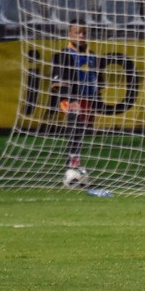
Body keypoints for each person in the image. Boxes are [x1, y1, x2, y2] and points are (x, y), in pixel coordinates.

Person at [51, 20, 98, 175]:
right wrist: (71, 100)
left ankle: (72, 161)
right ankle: (73, 164)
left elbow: (94, 79)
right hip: (70, 98)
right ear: (69, 34)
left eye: (84, 32)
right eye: (77, 32)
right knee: (75, 124)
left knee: (81, 131)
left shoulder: (91, 55)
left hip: (86, 98)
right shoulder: (64, 55)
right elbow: (58, 83)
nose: (81, 35)